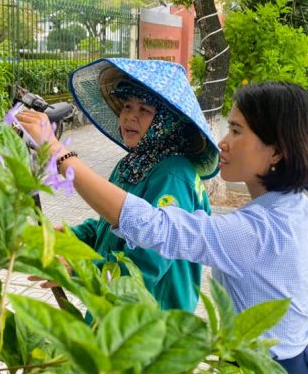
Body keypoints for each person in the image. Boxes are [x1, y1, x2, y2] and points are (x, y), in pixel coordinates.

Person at [17, 80, 308, 374]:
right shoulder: (307, 215)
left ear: (277, 151)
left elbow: (154, 231)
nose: (223, 142)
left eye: (236, 130)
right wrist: (287, 340)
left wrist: (57, 151)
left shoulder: (252, 230)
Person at [61, 58, 219, 312]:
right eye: (126, 106)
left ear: (167, 121)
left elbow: (146, 265)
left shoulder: (173, 175)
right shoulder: (132, 164)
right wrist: (69, 238)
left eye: (144, 110)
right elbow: (107, 226)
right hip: (113, 314)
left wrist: (77, 270)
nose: (129, 117)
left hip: (149, 329)